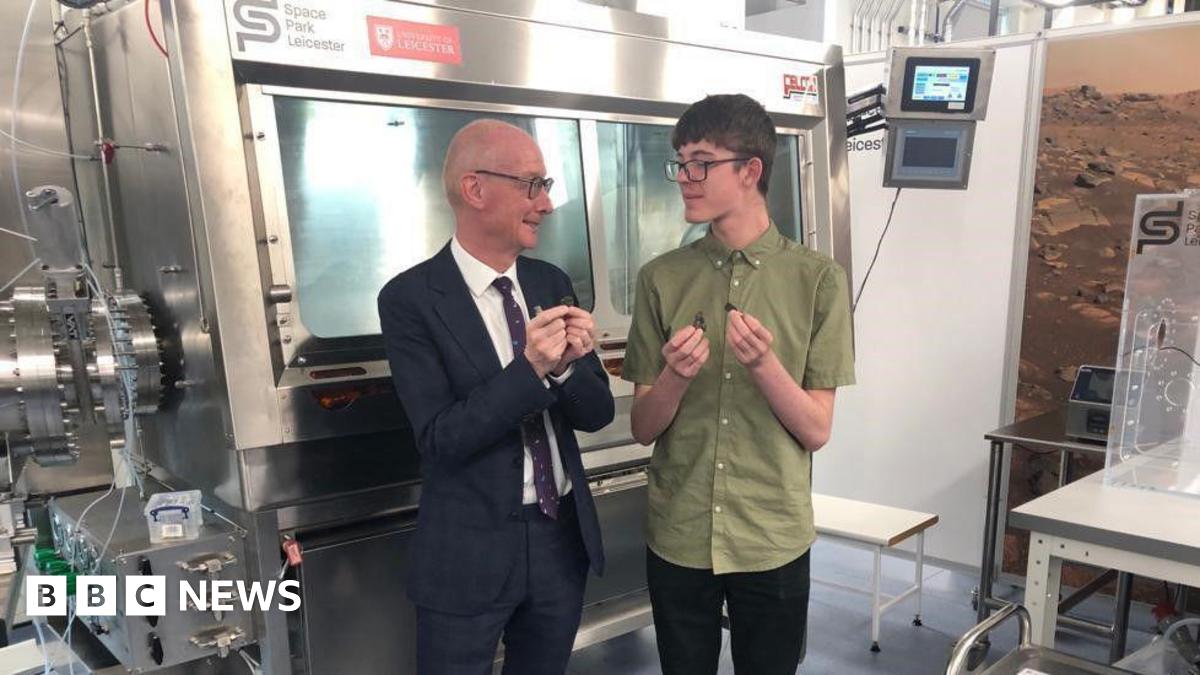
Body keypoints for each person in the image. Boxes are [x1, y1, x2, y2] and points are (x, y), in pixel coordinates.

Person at [622, 94, 856, 675]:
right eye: (679, 162)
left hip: (770, 534)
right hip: (680, 531)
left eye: (701, 162)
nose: (685, 178)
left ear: (750, 170)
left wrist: (764, 366)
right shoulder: (661, 279)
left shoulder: (818, 281)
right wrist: (675, 376)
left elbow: (816, 430)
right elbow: (643, 427)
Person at [378, 119, 613, 675]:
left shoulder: (551, 281)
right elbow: (441, 439)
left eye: (546, 184)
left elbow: (598, 414)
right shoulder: (412, 299)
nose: (548, 204)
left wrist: (568, 370)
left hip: (560, 541)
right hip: (468, 552)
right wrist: (531, 369)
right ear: (475, 189)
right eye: (532, 185)